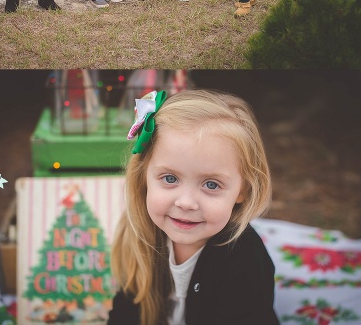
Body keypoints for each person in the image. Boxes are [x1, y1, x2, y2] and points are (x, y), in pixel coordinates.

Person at [110, 88, 278, 324]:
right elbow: (126, 312)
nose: (186, 203)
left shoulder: (244, 260)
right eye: (170, 178)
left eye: (211, 184)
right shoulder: (140, 234)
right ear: (143, 177)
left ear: (242, 190)